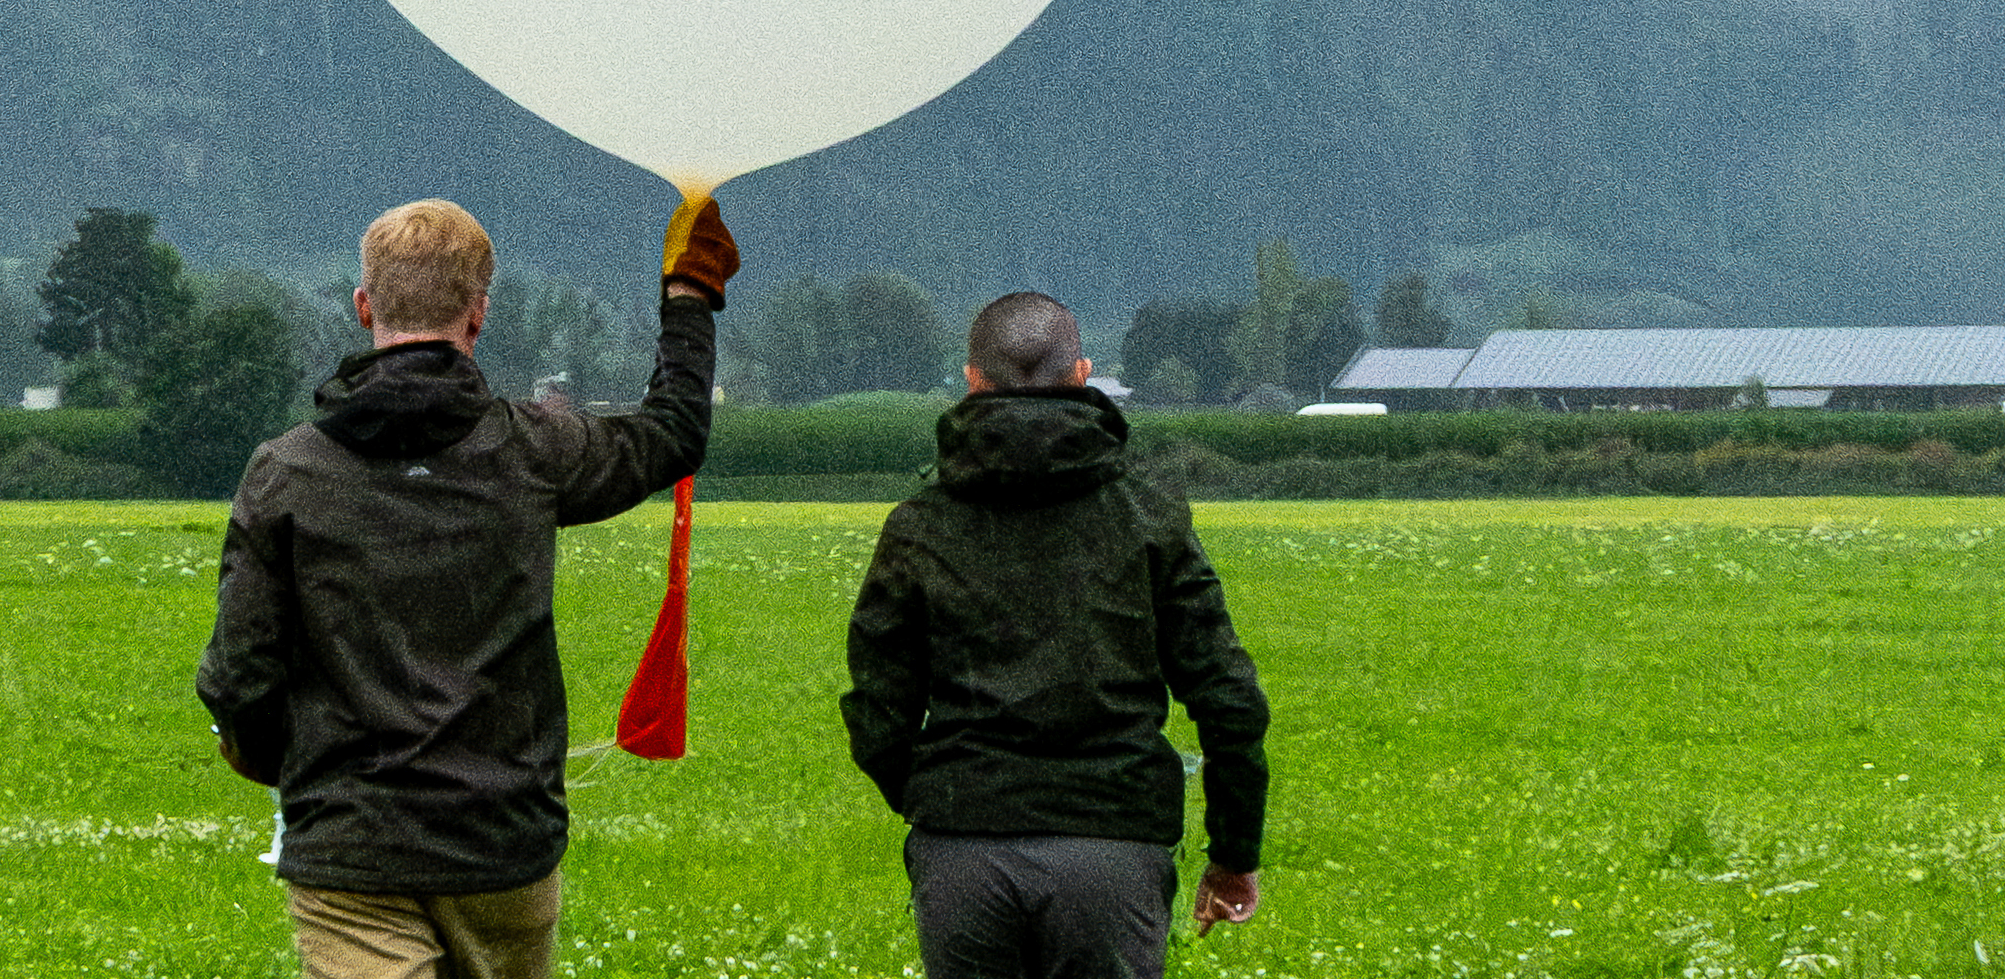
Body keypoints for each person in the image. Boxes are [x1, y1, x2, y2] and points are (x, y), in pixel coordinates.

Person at [198, 193, 742, 979]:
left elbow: (241, 670)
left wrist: (281, 763)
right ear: (478, 315)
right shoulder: (534, 450)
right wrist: (688, 301)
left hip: (351, 852)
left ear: (363, 306)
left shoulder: (286, 472)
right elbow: (671, 434)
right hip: (504, 847)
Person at [842, 292, 1269, 979]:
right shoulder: (1150, 516)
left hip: (963, 850)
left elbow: (876, 710)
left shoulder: (918, 526)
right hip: (1114, 845)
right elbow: (1229, 698)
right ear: (1082, 374)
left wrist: (944, 799)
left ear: (972, 380)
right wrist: (1234, 853)